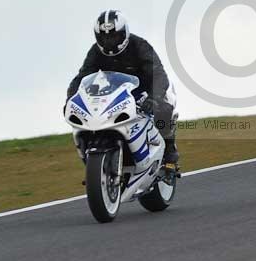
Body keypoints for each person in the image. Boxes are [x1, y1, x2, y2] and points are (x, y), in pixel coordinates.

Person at [65, 10, 179, 167]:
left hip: (144, 91)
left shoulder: (140, 46)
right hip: (115, 93)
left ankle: (169, 152)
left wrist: (154, 98)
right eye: (104, 38)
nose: (109, 42)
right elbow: (82, 77)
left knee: (164, 109)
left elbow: (158, 74)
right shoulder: (95, 51)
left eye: (113, 36)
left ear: (124, 33)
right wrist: (70, 99)